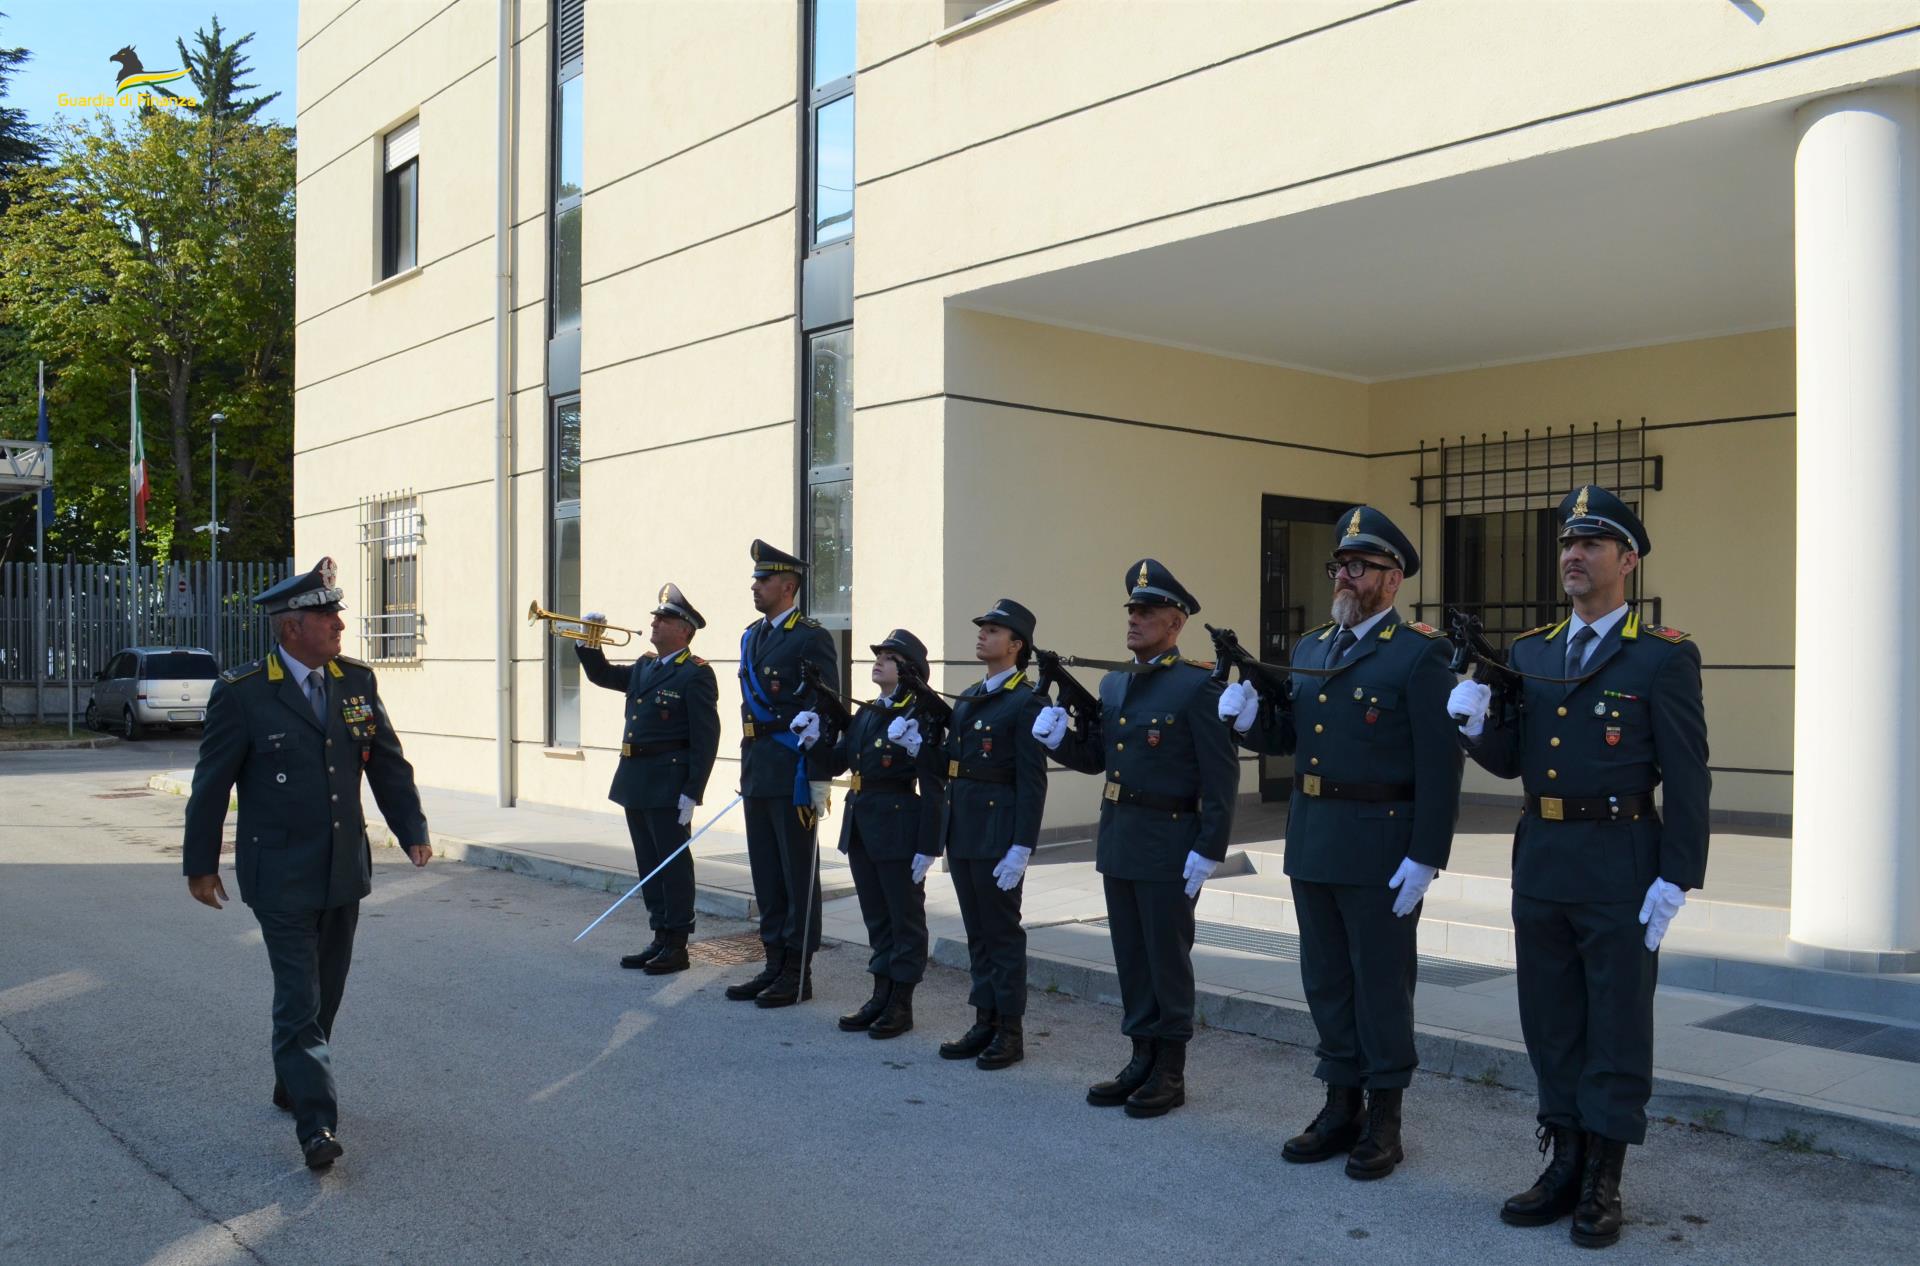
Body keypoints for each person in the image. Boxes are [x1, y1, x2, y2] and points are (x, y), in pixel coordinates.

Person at [1449, 485, 1708, 1249]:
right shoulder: (1530, 652)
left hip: (1623, 863)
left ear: (1626, 560)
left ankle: (1604, 1175)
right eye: (1567, 543)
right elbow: (1512, 760)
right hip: (1545, 859)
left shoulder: (1661, 656)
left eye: (1591, 544)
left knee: (1618, 1025)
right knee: (1551, 1021)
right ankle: (1562, 1158)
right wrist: (1470, 723)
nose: (1572, 555)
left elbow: (1689, 775)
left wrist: (1677, 875)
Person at [1218, 508, 1459, 1175]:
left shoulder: (1418, 651)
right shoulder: (1312, 646)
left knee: (1380, 983)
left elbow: (1440, 763)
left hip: (1382, 844)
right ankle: (1339, 1102)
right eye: (1339, 567)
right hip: (1316, 836)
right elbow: (1291, 735)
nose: (1344, 578)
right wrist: (1246, 724)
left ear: (1393, 578)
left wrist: (1427, 853)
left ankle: (1385, 1116)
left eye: (1359, 567)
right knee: (1325, 980)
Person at [181, 557, 430, 1170]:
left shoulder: (356, 682)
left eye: (337, 612)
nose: (340, 624)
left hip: (343, 869)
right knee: (298, 996)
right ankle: (317, 1127)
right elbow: (210, 786)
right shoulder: (243, 694)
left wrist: (412, 829)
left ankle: (291, 1080)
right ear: (291, 627)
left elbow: (387, 764)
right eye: (326, 614)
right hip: (280, 875)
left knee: (326, 996)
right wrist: (201, 865)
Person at [1035, 559, 1238, 1118]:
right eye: (1132, 610)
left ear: (1175, 624)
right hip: (1121, 838)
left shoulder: (1197, 686)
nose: (1134, 620)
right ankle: (1139, 1057)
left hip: (1172, 842)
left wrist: (1210, 847)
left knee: (1165, 958)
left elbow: (1221, 776)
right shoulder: (1115, 682)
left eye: (1147, 612)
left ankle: (1170, 1070)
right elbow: (1098, 757)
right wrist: (1057, 741)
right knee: (1130, 955)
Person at [790, 629, 945, 1039]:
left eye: (890, 657)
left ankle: (901, 1003)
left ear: (909, 669)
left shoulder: (921, 715)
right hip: (861, 824)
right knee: (877, 918)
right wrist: (811, 740)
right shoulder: (869, 712)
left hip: (898, 825)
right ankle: (880, 993)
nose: (879, 661)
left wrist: (930, 845)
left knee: (904, 918)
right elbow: (839, 762)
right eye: (879, 655)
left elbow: (933, 786)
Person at [576, 584, 719, 974]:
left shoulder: (696, 675)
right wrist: (590, 642)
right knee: (648, 863)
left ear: (684, 630)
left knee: (671, 865)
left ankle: (678, 944)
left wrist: (694, 790)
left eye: (664, 619)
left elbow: (706, 738)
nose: (654, 623)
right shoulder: (644, 666)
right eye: (656, 617)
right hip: (636, 778)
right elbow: (602, 675)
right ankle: (659, 935)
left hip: (669, 784)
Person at [725, 540, 839, 1008]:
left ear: (788, 585)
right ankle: (773, 962)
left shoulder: (811, 636)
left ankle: (798, 972)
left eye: (764, 579)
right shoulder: (752, 636)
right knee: (767, 874)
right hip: (758, 769)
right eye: (755, 578)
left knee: (797, 875)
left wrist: (818, 771)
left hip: (792, 769)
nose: (755, 585)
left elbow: (827, 705)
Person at [936, 599, 1048, 1069]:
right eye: (982, 628)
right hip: (963, 830)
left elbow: (1032, 780)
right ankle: (984, 1019)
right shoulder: (970, 695)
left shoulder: (1026, 701)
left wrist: (1022, 846)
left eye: (994, 630)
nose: (983, 635)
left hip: (998, 834)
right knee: (977, 933)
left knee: (1001, 934)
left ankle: (1010, 1030)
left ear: (1016, 645)